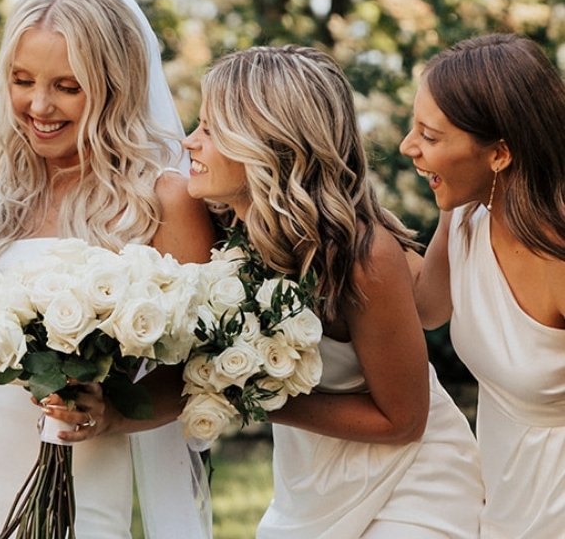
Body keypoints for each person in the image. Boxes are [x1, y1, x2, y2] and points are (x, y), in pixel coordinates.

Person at [0, 0, 216, 539]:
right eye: (22, 81)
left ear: (114, 88)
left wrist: (111, 413)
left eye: (67, 87)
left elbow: (194, 371)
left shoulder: (165, 199)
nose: (38, 106)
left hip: (83, 476)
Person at [187, 46, 484, 538]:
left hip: (412, 482)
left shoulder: (363, 256)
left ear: (267, 144)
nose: (188, 143)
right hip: (310, 485)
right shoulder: (220, 231)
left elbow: (403, 421)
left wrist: (245, 394)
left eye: (209, 131)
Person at [402, 33, 565, 539]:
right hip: (501, 503)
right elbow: (427, 305)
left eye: (429, 136)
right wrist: (340, 228)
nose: (408, 147)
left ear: (499, 154)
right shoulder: (467, 214)